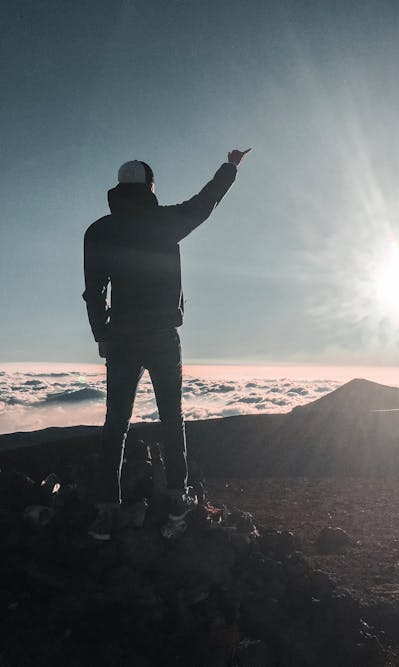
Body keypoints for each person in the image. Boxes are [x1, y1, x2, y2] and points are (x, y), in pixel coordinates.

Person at [83, 148, 251, 538]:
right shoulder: (166, 222)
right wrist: (230, 166)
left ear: (118, 189)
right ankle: (178, 502)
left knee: (115, 424)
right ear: (150, 186)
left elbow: (94, 292)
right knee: (171, 418)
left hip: (121, 337)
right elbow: (206, 201)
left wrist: (101, 336)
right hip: (161, 336)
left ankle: (107, 512)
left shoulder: (99, 231)